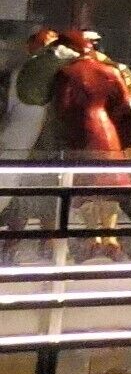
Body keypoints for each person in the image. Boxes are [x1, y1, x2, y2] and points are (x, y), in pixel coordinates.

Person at [41, 32, 131, 259]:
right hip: (110, 137)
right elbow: (129, 107)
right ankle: (106, 239)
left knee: (94, 188)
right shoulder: (112, 70)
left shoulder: (72, 72)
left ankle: (102, 239)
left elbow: (63, 107)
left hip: (93, 136)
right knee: (105, 188)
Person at [1, 29, 78, 260]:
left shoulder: (35, 72)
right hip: (28, 147)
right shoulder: (30, 71)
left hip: (40, 146)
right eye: (45, 43)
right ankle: (15, 248)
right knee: (23, 201)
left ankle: (47, 251)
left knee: (46, 201)